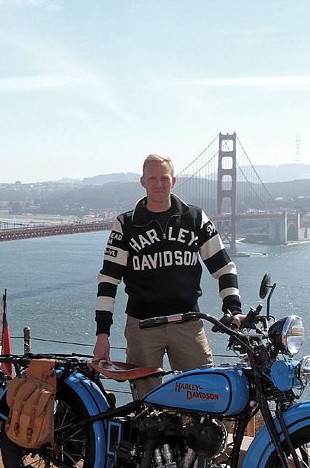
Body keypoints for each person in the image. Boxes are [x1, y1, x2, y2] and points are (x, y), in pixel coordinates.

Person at [93, 154, 243, 399]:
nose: (159, 184)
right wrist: (102, 334)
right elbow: (109, 280)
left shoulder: (194, 219)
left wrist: (233, 309)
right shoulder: (126, 224)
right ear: (143, 181)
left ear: (174, 180)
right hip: (142, 328)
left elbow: (224, 268)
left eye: (164, 178)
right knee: (145, 404)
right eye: (152, 178)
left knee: (204, 396)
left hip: (188, 324)